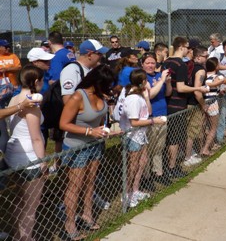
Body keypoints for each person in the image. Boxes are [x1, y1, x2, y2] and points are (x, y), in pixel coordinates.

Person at [59, 64, 115, 240]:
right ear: (97, 82)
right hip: (76, 146)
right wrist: (90, 132)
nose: (109, 89)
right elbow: (64, 124)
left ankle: (87, 215)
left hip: (94, 145)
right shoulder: (78, 96)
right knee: (74, 186)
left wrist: (105, 131)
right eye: (106, 84)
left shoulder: (100, 94)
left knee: (90, 183)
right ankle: (69, 225)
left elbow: (97, 121)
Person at [5, 65, 47, 240]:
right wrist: (43, 161)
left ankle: (18, 235)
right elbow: (36, 137)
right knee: (31, 204)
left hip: (12, 155)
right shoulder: (31, 105)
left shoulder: (15, 99)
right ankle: (26, 237)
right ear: (36, 81)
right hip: (29, 158)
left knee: (19, 200)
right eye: (42, 81)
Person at [119, 68, 166, 207]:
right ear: (143, 82)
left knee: (143, 161)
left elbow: (148, 111)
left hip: (141, 135)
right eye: (146, 80)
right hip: (132, 136)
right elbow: (134, 122)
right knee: (133, 166)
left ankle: (135, 189)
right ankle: (126, 194)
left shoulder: (140, 96)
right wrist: (154, 121)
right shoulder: (133, 99)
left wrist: (146, 97)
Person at [162, 37, 207, 178]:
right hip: (177, 105)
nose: (190, 50)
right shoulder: (180, 64)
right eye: (188, 47)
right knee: (174, 139)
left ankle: (168, 165)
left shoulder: (167, 61)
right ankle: (172, 166)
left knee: (169, 137)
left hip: (167, 103)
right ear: (181, 47)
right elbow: (180, 88)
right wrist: (199, 88)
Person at [141, 53, 172, 185]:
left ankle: (158, 172)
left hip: (162, 113)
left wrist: (168, 83)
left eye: (153, 63)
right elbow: (150, 95)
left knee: (159, 147)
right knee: (149, 148)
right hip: (150, 117)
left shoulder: (159, 76)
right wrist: (162, 80)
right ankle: (146, 176)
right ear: (142, 64)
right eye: (147, 63)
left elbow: (167, 93)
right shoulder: (142, 78)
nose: (150, 65)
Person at [47, 31, 76, 154]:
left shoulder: (57, 56)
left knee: (59, 132)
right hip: (73, 93)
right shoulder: (69, 53)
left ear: (49, 42)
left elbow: (56, 80)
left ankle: (58, 164)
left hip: (61, 96)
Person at [184, 45, 207, 166]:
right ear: (198, 57)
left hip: (185, 102)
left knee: (187, 131)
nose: (207, 58)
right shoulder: (200, 70)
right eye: (205, 56)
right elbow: (197, 91)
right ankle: (188, 157)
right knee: (191, 132)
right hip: (194, 104)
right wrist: (203, 105)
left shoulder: (188, 65)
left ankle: (188, 153)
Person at [201, 57, 224, 156]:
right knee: (213, 127)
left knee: (205, 126)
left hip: (206, 102)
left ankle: (206, 145)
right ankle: (205, 149)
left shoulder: (205, 75)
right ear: (215, 66)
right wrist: (221, 81)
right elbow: (210, 84)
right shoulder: (214, 77)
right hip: (212, 103)